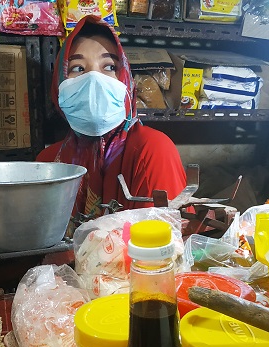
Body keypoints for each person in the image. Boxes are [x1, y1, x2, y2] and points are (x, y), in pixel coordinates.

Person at [37, 15, 187, 219]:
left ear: (126, 79)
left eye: (109, 67)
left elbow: (165, 243)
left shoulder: (151, 150)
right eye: (78, 68)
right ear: (59, 85)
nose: (93, 78)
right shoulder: (49, 163)